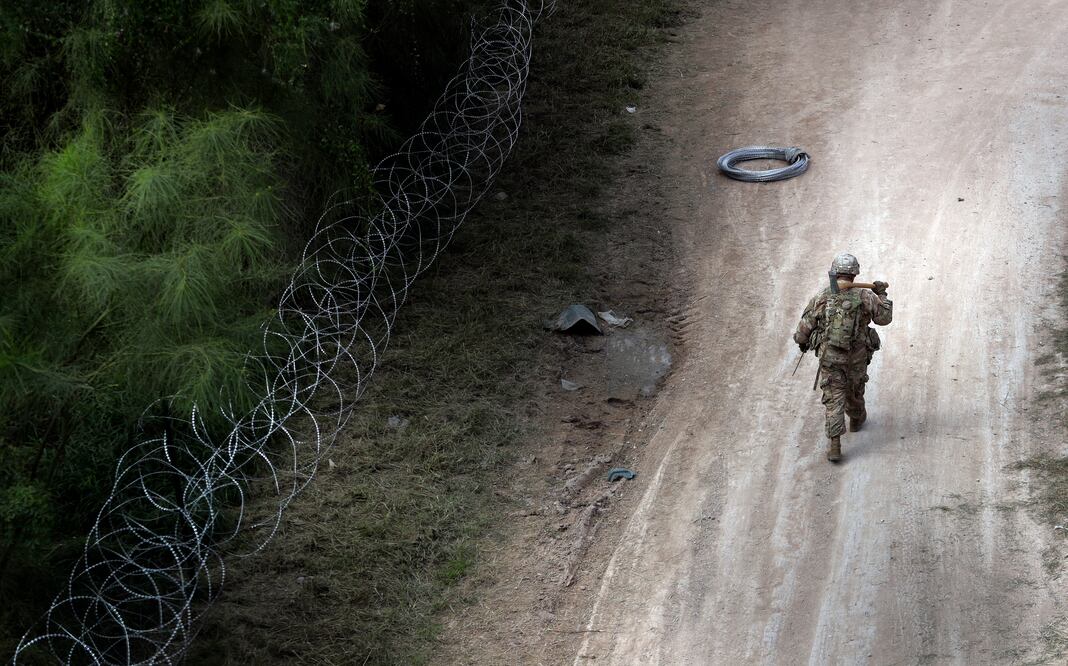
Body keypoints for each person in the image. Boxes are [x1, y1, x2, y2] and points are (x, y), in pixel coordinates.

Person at [793, 253, 892, 462]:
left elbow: (803, 330)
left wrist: (802, 341)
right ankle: (856, 418)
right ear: (854, 275)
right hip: (857, 357)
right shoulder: (865, 296)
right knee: (854, 390)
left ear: (834, 273)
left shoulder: (823, 296)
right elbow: (884, 318)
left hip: (831, 359)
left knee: (833, 398)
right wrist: (882, 294)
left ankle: (835, 445)